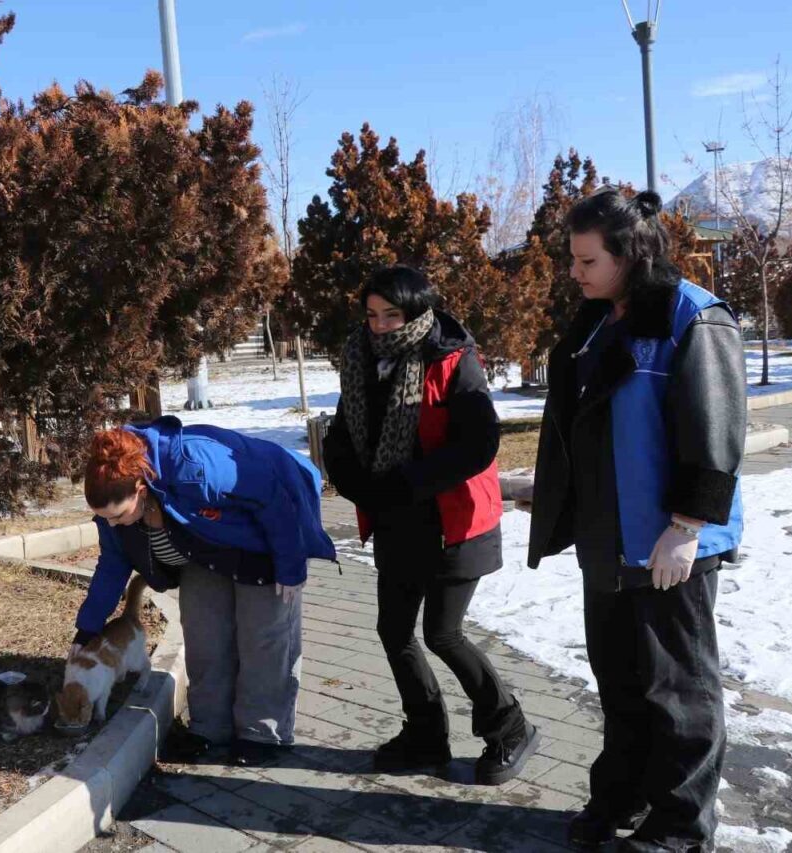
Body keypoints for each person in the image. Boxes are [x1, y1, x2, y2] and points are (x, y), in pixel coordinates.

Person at [528, 188, 745, 852]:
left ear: (629, 254)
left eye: (587, 260)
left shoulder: (692, 318)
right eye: (573, 259)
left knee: (678, 689)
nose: (575, 272)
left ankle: (681, 827)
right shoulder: (599, 320)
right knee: (621, 683)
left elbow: (715, 433)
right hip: (608, 539)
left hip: (667, 543)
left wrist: (687, 527)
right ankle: (621, 795)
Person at [322, 265, 539, 786]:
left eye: (391, 315)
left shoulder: (453, 359)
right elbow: (343, 437)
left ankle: (511, 727)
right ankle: (425, 735)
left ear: (417, 312)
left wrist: (408, 483)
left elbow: (479, 444)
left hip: (453, 522)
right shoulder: (361, 359)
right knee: (393, 631)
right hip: (397, 522)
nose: (379, 326)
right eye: (372, 315)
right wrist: (359, 485)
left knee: (443, 633)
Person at [73, 416, 335, 766]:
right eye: (104, 518)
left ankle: (262, 733)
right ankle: (210, 727)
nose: (112, 524)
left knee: (262, 640)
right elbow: (112, 565)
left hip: (263, 540)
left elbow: (273, 497)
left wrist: (290, 566)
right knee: (204, 636)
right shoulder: (116, 507)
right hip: (203, 550)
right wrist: (87, 629)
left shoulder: (195, 465)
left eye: (118, 516)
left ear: (140, 489)